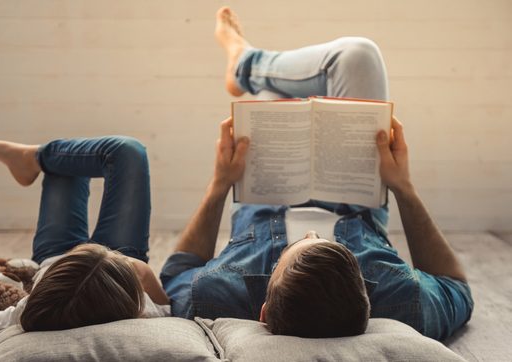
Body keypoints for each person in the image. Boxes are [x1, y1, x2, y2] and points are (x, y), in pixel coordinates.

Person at [159, 7, 473, 341]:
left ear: (263, 311)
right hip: (353, 192)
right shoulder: (402, 300)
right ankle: (244, 64)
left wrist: (220, 184)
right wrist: (403, 187)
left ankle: (244, 64)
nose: (309, 232)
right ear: (368, 301)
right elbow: (456, 287)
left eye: (297, 248)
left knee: (274, 97)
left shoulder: (213, 295)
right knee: (358, 55)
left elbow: (179, 269)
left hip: (268, 186)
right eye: (326, 244)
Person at [0, 134, 169, 351]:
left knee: (67, 167)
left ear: (38, 288)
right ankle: (33, 157)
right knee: (125, 152)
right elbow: (167, 309)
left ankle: (31, 158)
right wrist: (143, 272)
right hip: (119, 263)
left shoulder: (22, 316)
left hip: (58, 255)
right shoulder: (144, 313)